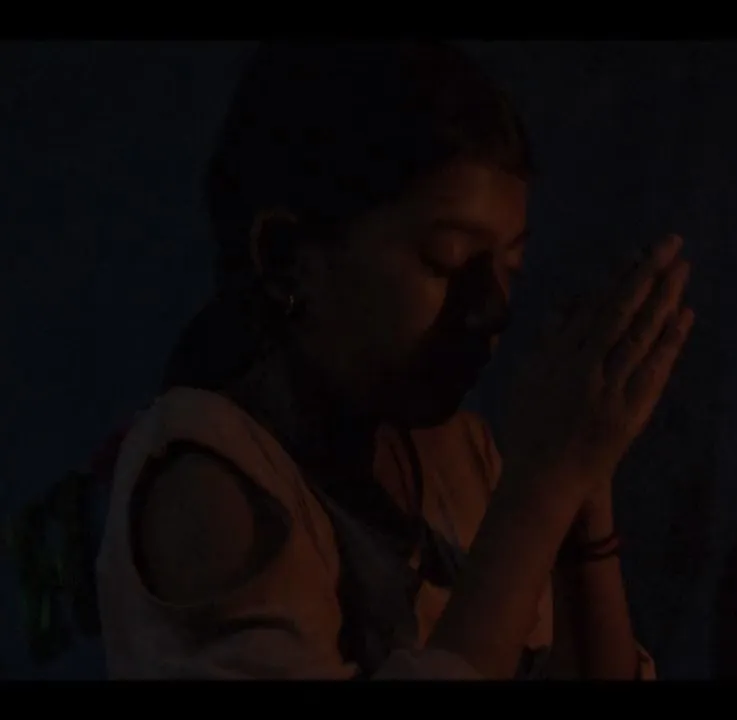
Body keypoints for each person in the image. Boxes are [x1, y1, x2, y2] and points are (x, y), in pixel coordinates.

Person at [93, 42, 694, 680]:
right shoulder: (210, 487)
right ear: (287, 259)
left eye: (511, 267)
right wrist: (539, 494)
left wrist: (581, 487)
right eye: (446, 260)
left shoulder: (459, 458)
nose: (493, 307)